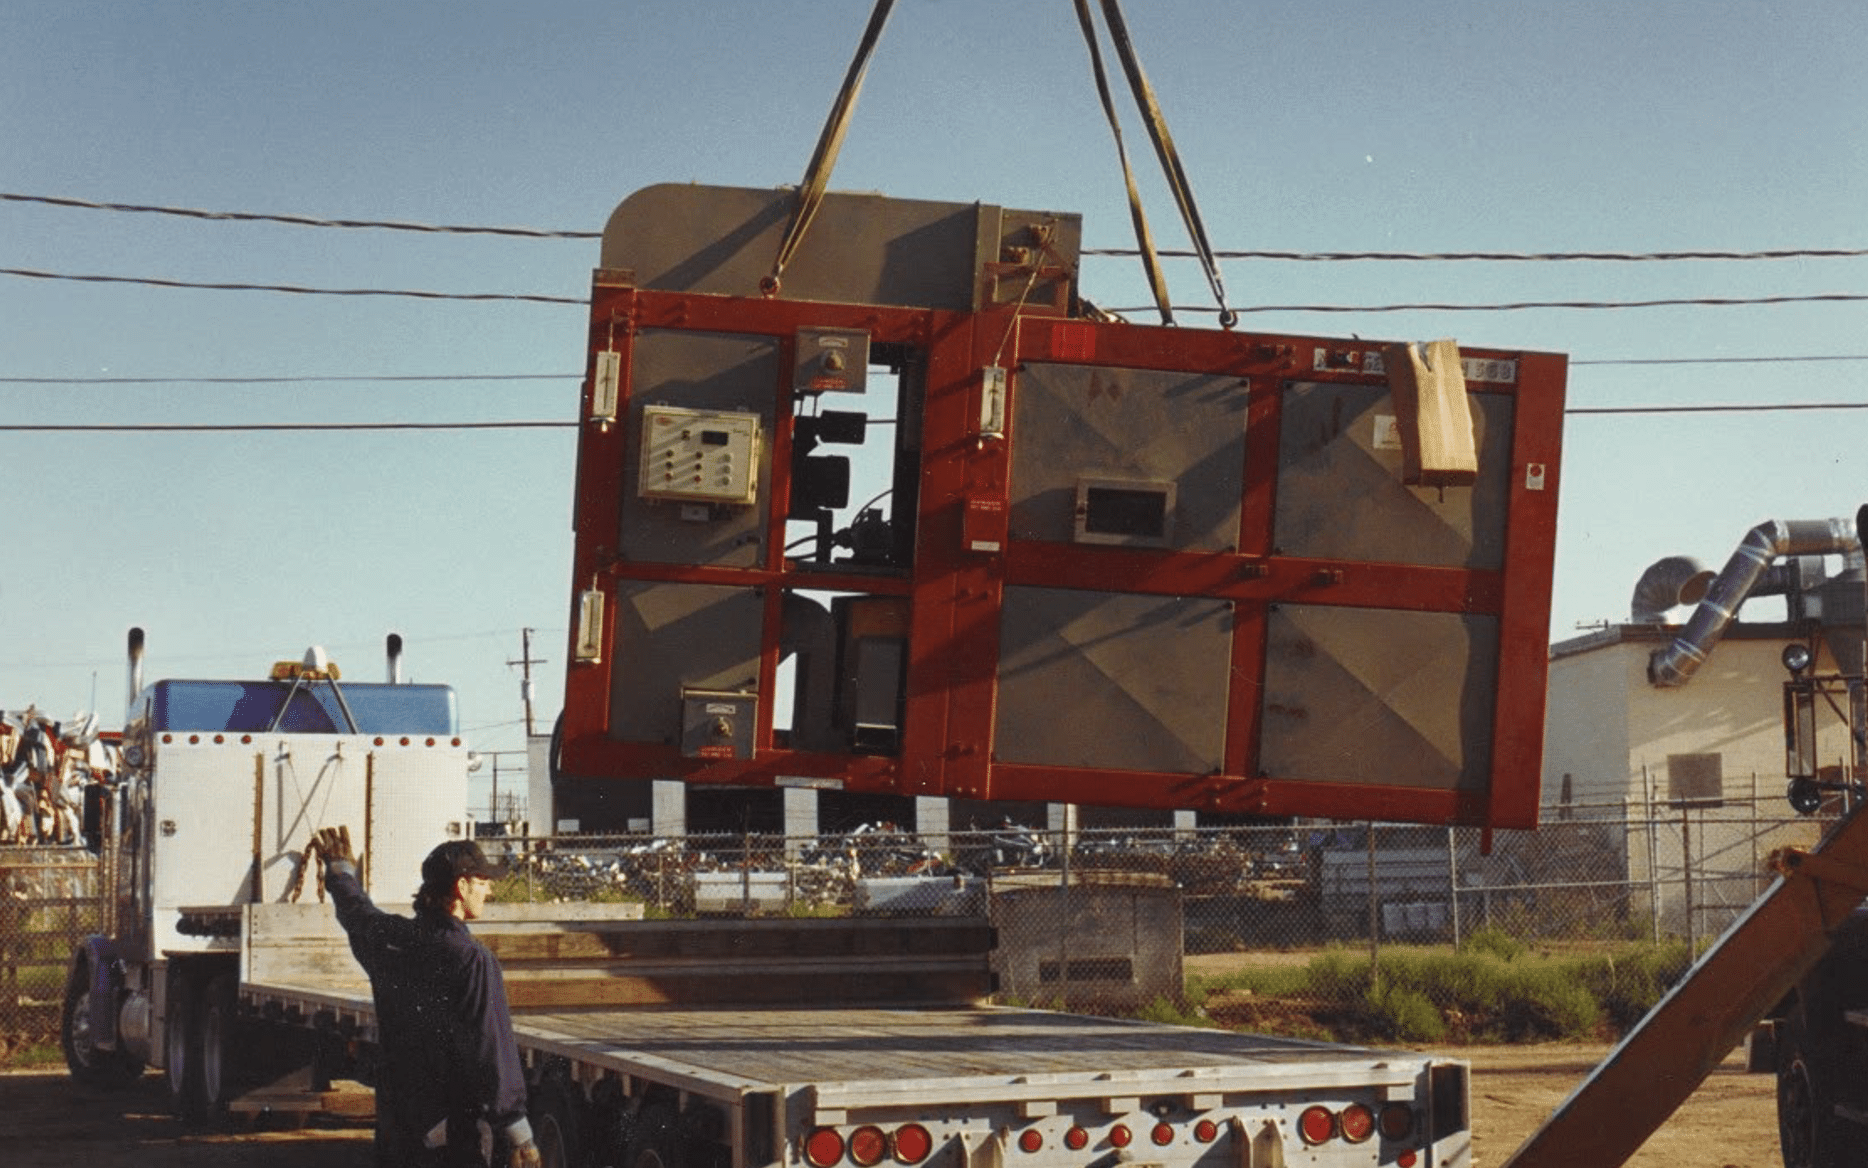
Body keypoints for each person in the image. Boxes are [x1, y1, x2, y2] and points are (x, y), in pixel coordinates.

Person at [310, 825, 542, 1168]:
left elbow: (357, 915)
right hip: (455, 1135)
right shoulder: (472, 959)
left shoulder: (392, 938)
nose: (489, 890)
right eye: (482, 881)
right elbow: (490, 1047)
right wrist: (519, 1133)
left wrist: (340, 872)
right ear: (461, 887)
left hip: (399, 1125)